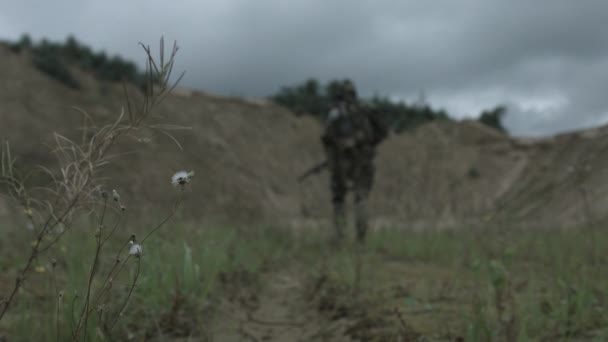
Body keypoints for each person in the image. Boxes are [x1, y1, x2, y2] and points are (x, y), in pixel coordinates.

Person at [320, 79, 387, 243]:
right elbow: (383, 132)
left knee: (339, 199)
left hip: (342, 161)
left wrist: (332, 159)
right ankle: (361, 240)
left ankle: (340, 237)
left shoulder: (336, 112)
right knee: (361, 197)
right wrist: (368, 146)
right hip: (364, 160)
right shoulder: (367, 108)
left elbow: (326, 138)